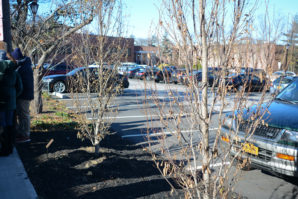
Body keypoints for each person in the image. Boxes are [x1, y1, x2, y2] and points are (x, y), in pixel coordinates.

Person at [0, 50, 23, 155]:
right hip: (11, 103)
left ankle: (3, 148)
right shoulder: (14, 71)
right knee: (10, 125)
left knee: (2, 125)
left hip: (1, 103)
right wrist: (14, 97)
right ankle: (10, 147)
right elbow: (20, 88)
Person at [11, 48, 34, 143]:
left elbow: (22, 83)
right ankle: (22, 133)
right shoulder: (24, 65)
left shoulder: (22, 68)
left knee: (24, 115)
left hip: (24, 95)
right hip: (24, 94)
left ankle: (25, 135)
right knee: (21, 115)